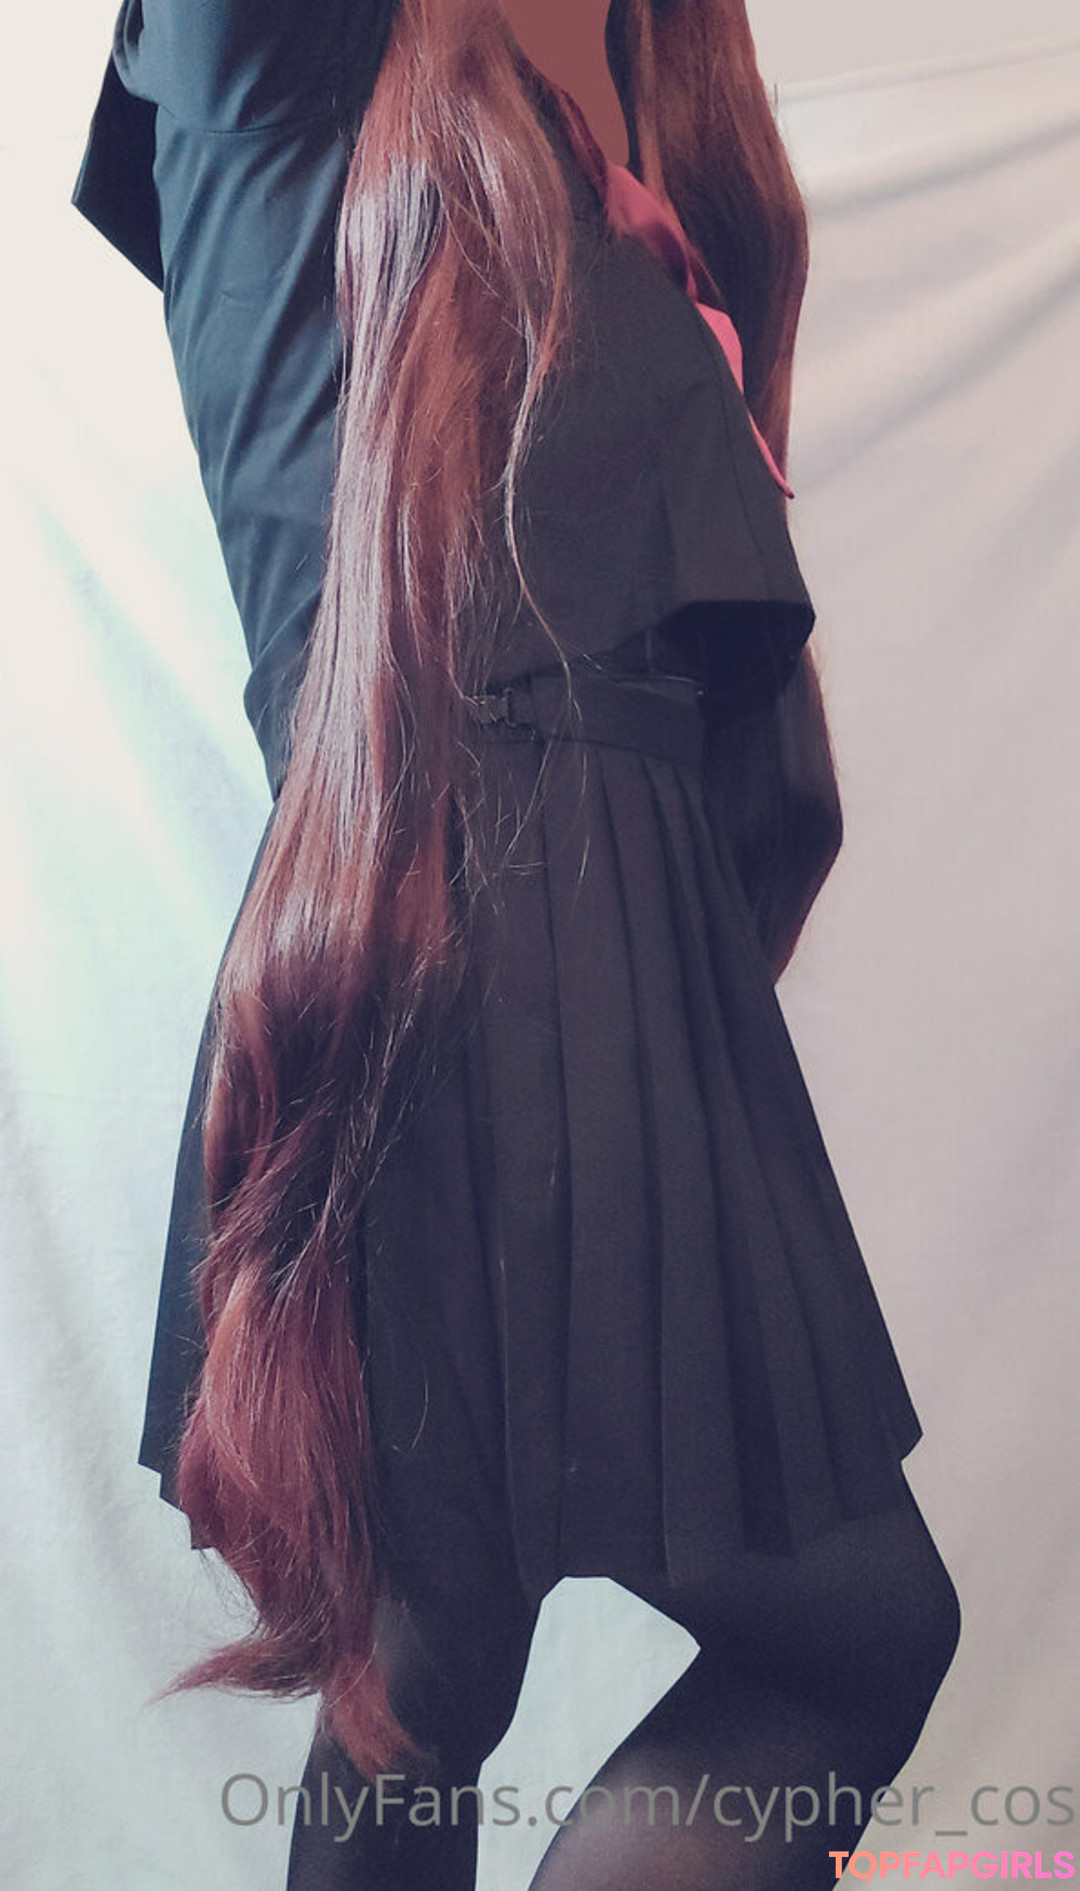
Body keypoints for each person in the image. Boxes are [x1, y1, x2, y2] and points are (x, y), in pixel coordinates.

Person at [73, 1, 962, 1884]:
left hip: (621, 951)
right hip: (463, 916)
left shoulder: (636, 77)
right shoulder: (282, 52)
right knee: (796, 1641)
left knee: (434, 1677)